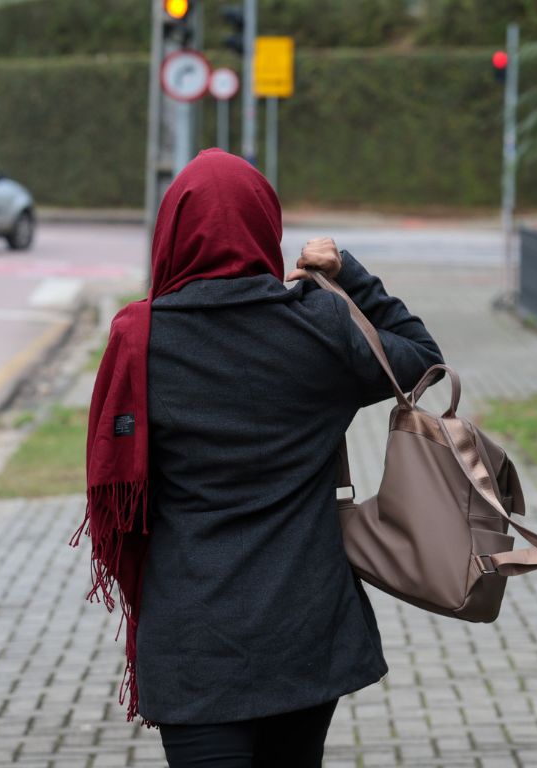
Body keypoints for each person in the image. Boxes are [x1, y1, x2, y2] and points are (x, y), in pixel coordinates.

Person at [74, 149, 443, 767]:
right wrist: (347, 274)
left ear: (170, 234)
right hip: (304, 635)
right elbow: (420, 356)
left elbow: (121, 489)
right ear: (265, 229)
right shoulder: (320, 325)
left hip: (193, 641)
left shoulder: (141, 338)